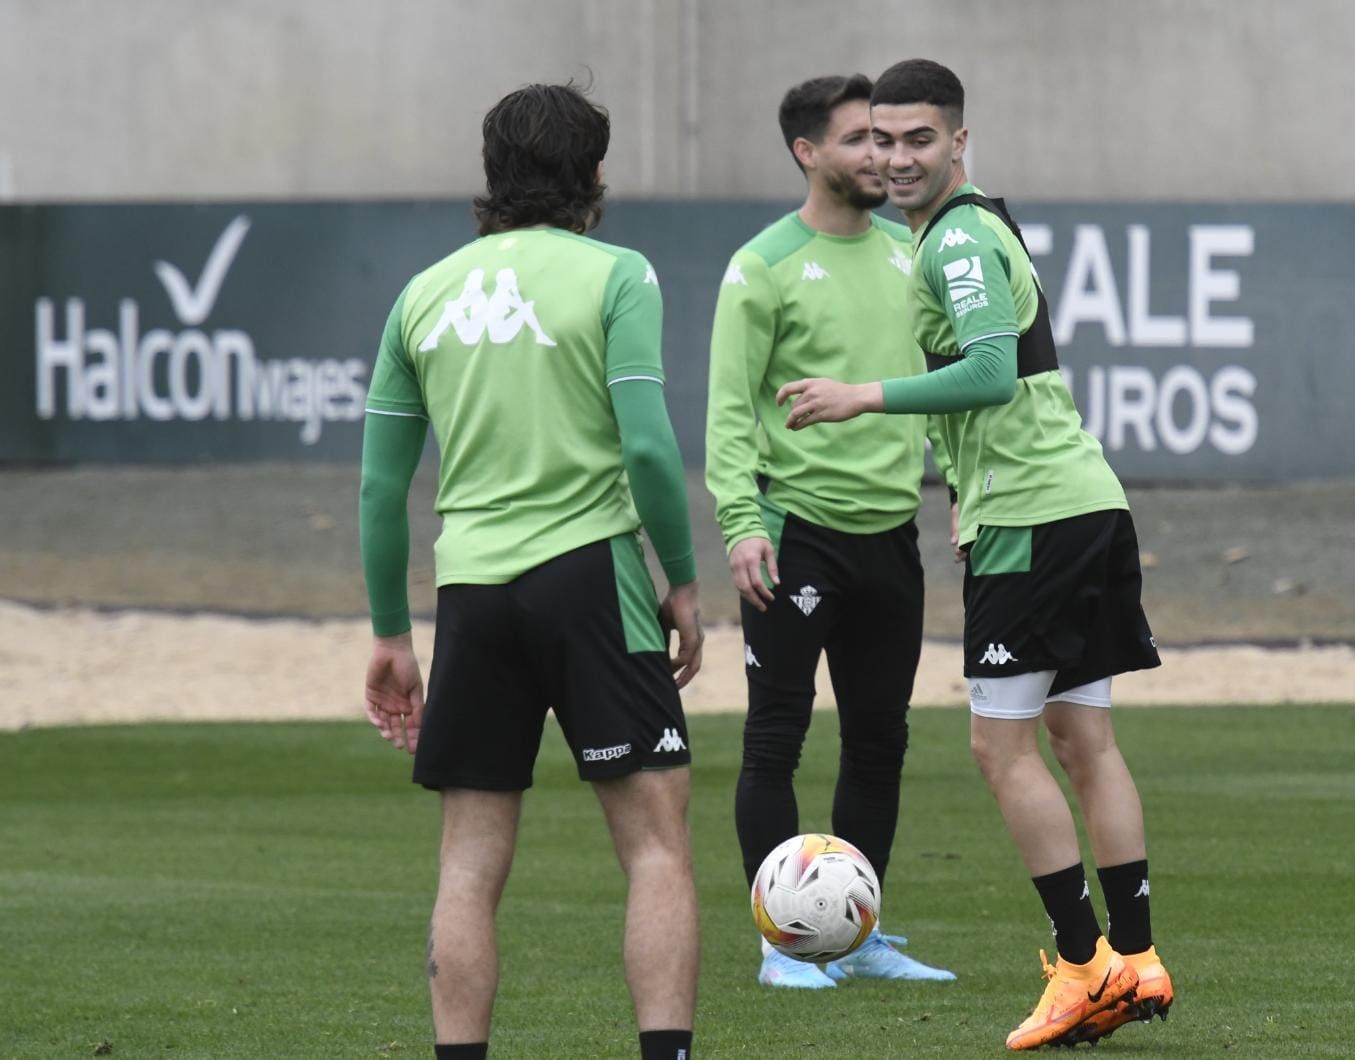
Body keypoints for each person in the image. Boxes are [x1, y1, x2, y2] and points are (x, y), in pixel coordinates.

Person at [774, 59, 1174, 1050]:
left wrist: (861, 395)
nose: (895, 157)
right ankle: (1136, 956)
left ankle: (1082, 967)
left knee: (1001, 748)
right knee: (1084, 742)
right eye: (880, 139)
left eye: (918, 139)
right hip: (1081, 503)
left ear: (959, 141)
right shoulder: (975, 224)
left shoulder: (954, 237)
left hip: (1032, 521)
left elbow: (992, 372)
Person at [359, 82, 703, 1060]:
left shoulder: (422, 293)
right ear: (594, 172)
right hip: (591, 576)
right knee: (655, 846)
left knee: (468, 866)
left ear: (491, 172)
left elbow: (380, 490)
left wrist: (391, 634)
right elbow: (648, 448)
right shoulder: (618, 274)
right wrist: (682, 579)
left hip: (471, 595)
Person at [705, 73, 957, 990]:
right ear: (808, 153)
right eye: (859, 140)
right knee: (776, 739)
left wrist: (957, 486)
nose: (880, 157)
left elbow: (936, 385)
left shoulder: (910, 252)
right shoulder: (762, 265)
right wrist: (741, 523)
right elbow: (728, 411)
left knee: (880, 741)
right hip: (794, 533)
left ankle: (856, 935)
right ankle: (782, 946)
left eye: (886, 140)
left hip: (892, 533)